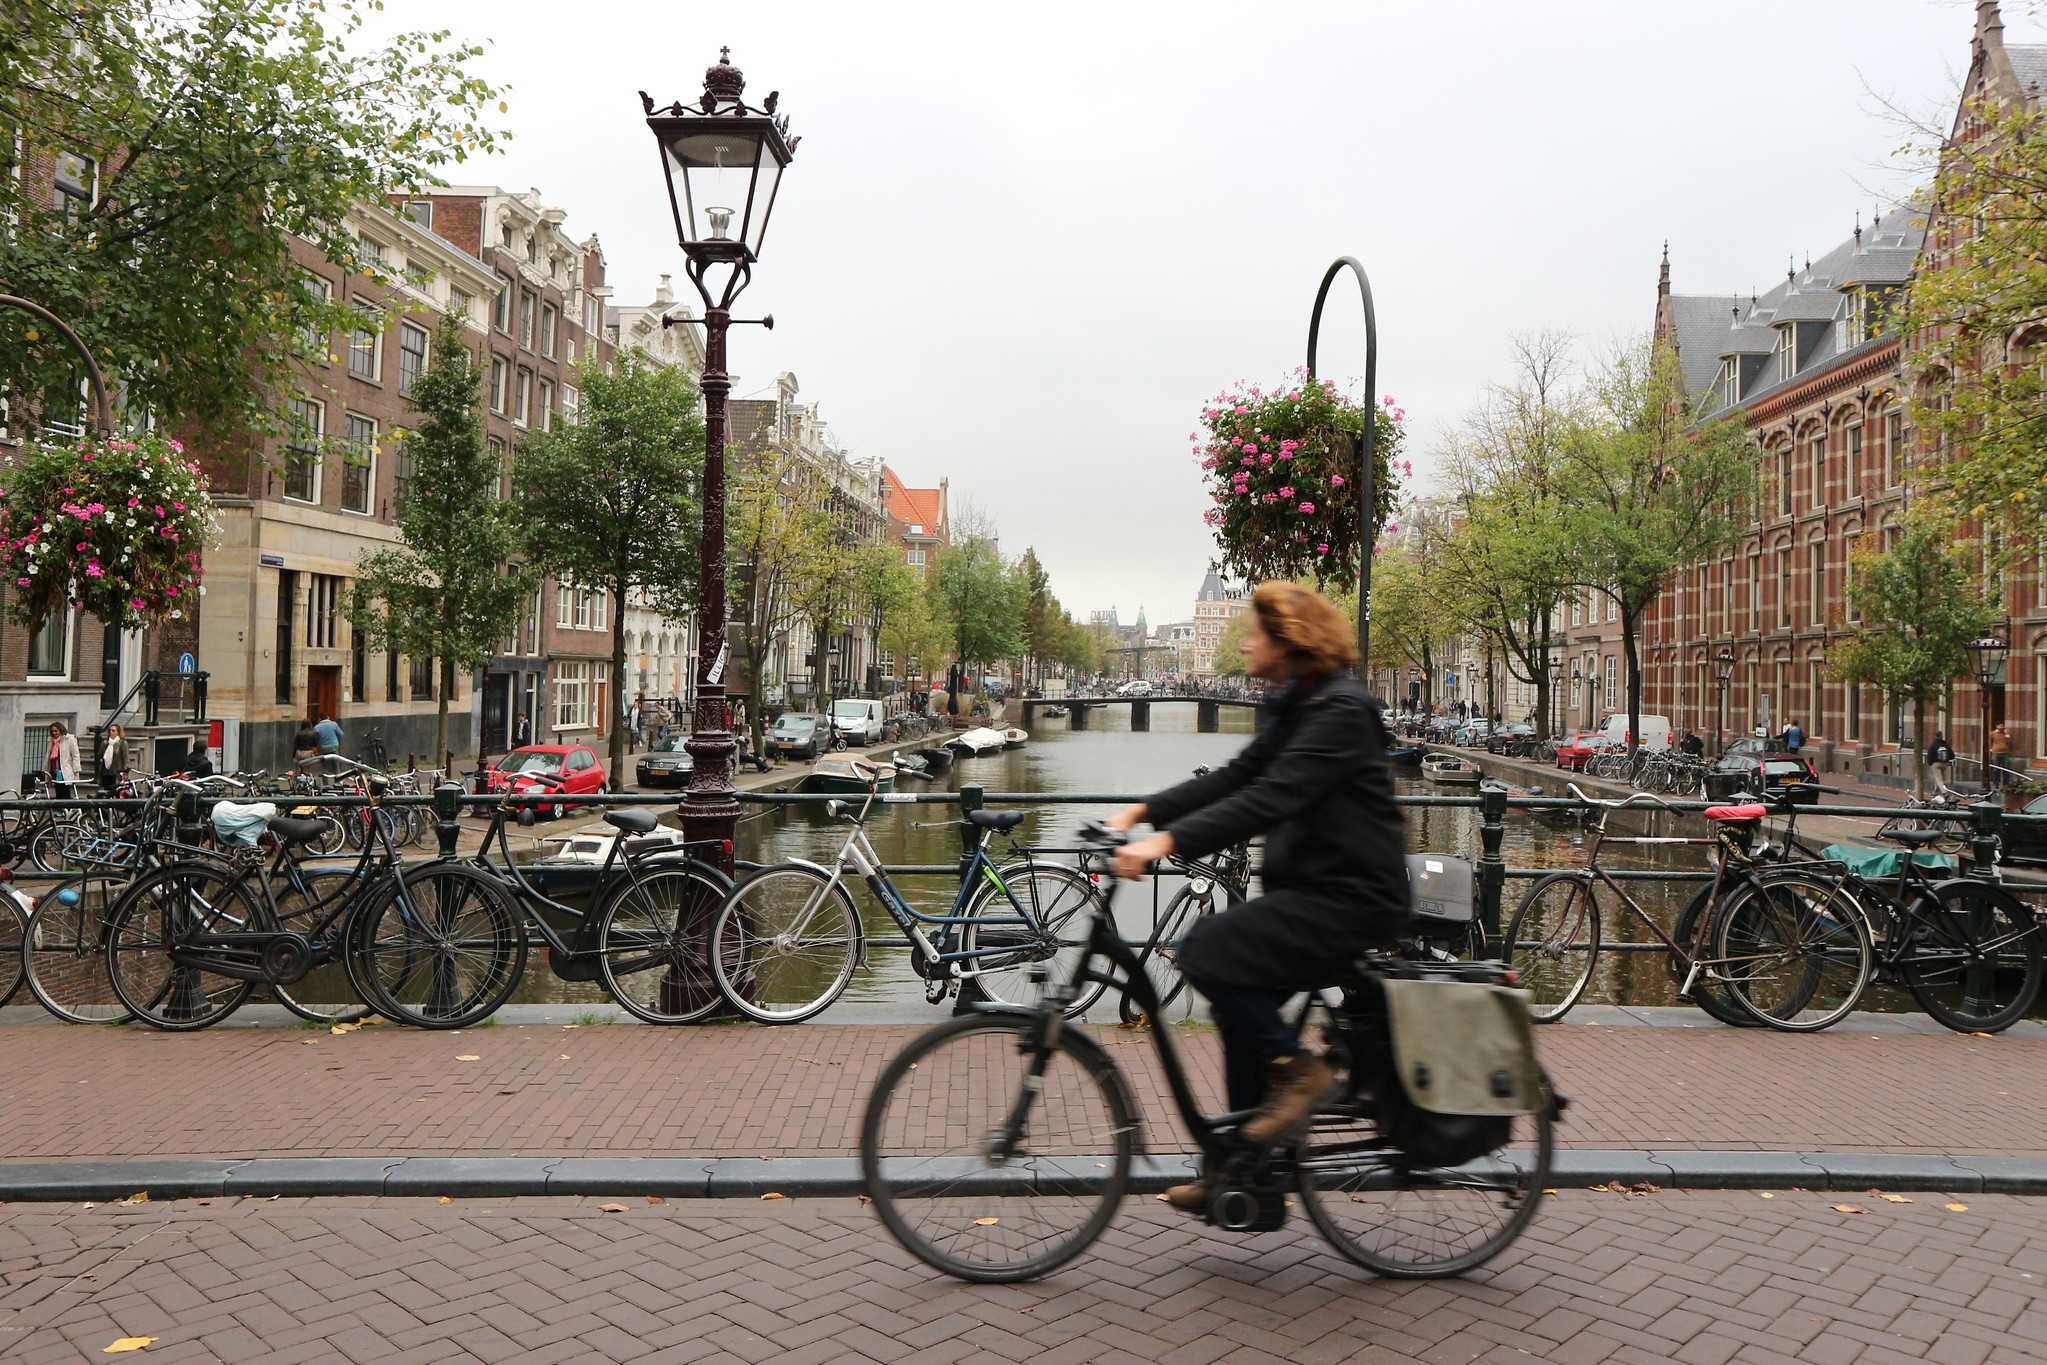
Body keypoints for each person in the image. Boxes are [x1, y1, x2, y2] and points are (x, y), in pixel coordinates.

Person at [1105, 582, 1410, 1212]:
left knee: (1205, 951)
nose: (1244, 642)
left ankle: (1303, 1075)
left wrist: (1164, 843)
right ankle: (1246, 1176)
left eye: (1254, 632)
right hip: (1313, 893)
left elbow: (1271, 799)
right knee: (1234, 1009)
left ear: (1287, 641)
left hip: (1352, 900)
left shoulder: (1341, 712)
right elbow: (1240, 775)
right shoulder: (1296, 703)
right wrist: (1144, 808)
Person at [47, 721, 80, 799]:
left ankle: (66, 809)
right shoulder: (51, 741)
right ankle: (60, 810)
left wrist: (76, 770)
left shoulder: (69, 739)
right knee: (58, 791)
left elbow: (75, 755)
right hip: (54, 770)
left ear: (61, 730)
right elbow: (48, 756)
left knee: (65, 792)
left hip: (65, 770)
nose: (54, 733)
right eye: (52, 731)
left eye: (56, 731)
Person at [98, 723, 129, 795]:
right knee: (106, 792)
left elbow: (125, 758)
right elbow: (100, 755)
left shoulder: (122, 743)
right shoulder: (105, 743)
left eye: (113, 730)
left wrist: (125, 772)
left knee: (116, 791)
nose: (111, 732)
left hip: (116, 772)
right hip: (105, 772)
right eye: (110, 730)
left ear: (118, 732)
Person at [1991, 724, 2012, 790]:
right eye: (2000, 729)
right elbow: (1990, 741)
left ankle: (2005, 785)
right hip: (1996, 753)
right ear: (1997, 728)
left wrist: (2007, 736)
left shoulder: (2006, 734)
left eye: (2002, 729)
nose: (2001, 730)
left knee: (2006, 769)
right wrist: (1991, 749)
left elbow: (2010, 742)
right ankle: (1996, 784)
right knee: (1996, 769)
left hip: (2005, 753)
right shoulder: (1993, 734)